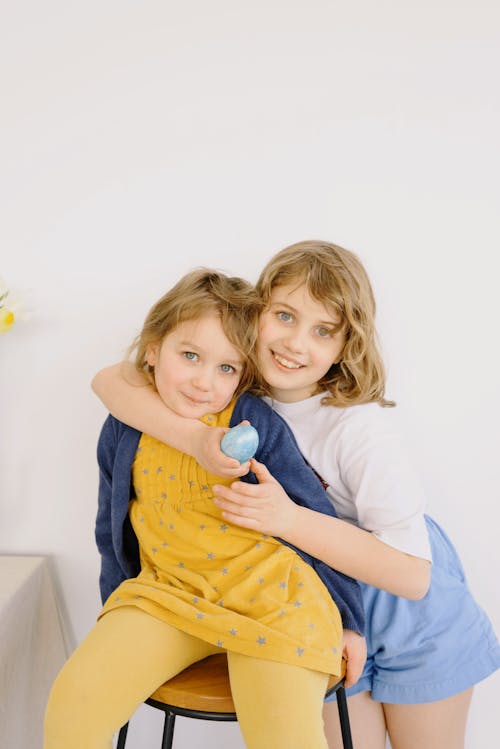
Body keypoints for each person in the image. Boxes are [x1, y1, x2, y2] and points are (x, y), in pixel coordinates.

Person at [92, 241, 500, 749]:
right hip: (313, 606)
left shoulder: (359, 429)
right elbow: (112, 381)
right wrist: (195, 440)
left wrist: (287, 520)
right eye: (284, 316)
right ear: (254, 313)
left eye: (323, 330)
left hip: (412, 614)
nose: (295, 343)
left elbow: (414, 578)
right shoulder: (229, 388)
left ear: (345, 346)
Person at [45, 268, 366, 749]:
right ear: (153, 350)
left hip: (275, 601)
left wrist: (348, 620)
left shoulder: (252, 422)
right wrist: (115, 606)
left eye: (226, 368)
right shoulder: (125, 426)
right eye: (190, 356)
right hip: (167, 595)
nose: (202, 382)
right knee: (73, 707)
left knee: (285, 736)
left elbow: (315, 516)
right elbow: (109, 525)